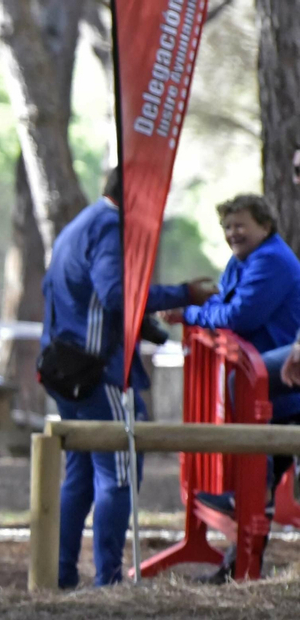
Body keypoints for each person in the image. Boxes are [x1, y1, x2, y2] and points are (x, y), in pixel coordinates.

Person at [43, 168, 215, 588]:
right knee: (117, 476)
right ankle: (109, 580)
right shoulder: (110, 228)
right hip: (99, 372)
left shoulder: (80, 224)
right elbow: (116, 295)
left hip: (65, 367)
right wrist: (184, 293)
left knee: (80, 475)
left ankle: (62, 574)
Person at [168, 194, 300, 580]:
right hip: (269, 388)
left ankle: (246, 522)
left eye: (240, 225)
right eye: (227, 227)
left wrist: (191, 314)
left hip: (280, 387)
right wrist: (204, 312)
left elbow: (239, 316)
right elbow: (223, 304)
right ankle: (238, 565)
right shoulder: (244, 259)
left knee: (259, 464)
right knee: (262, 467)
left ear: (265, 225)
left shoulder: (271, 261)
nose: (232, 233)